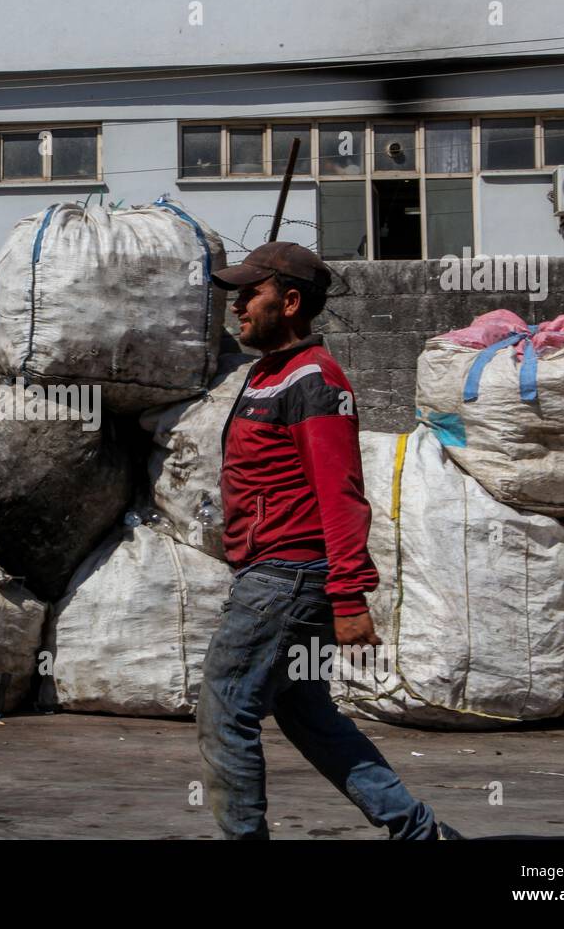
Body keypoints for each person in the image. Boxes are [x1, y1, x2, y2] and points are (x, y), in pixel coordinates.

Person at [196, 241, 461, 841]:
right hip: (276, 571)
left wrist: (348, 597)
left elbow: (340, 493)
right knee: (305, 711)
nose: (237, 305)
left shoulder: (314, 380)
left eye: (250, 293)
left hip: (287, 576)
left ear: (290, 303)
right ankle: (419, 833)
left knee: (225, 706)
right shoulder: (269, 375)